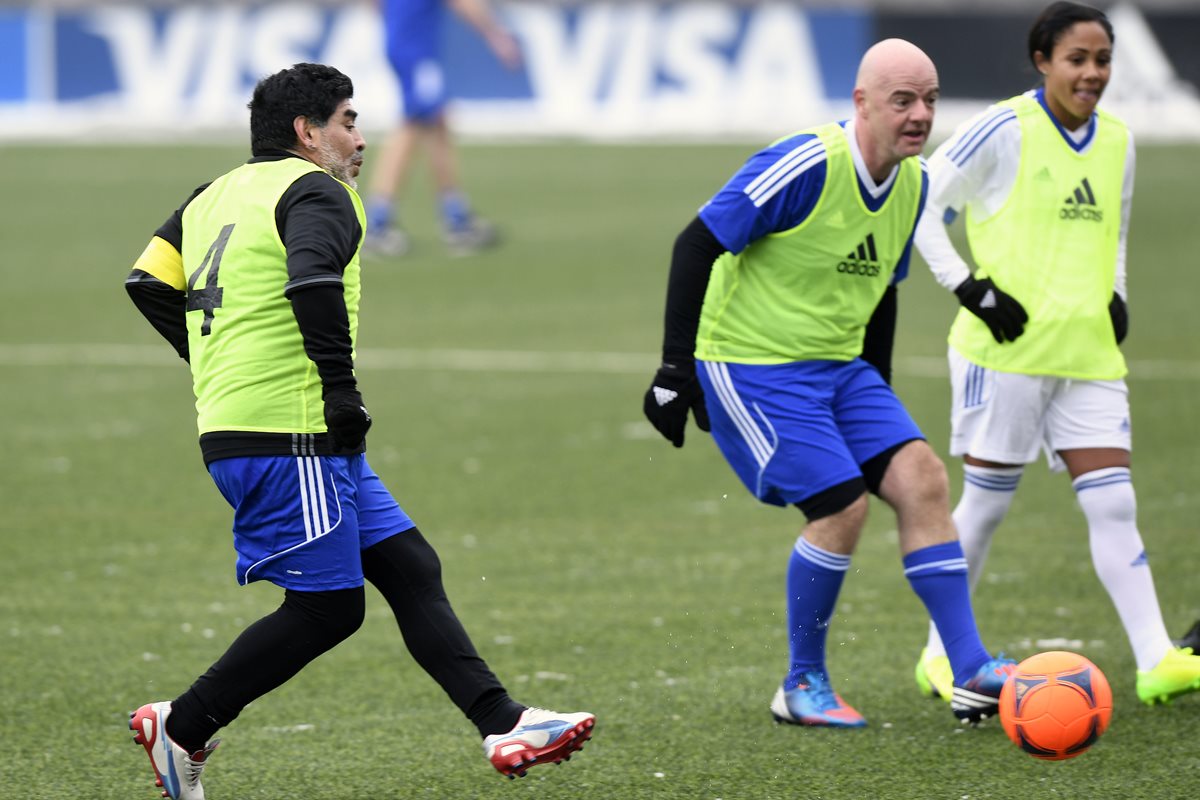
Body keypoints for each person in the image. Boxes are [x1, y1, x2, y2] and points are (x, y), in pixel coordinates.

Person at [123, 63, 593, 799]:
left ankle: (504, 721)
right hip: (293, 434)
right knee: (328, 608)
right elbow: (310, 279)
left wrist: (214, 360)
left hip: (276, 429)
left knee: (410, 566)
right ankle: (181, 726)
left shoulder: (210, 195)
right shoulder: (319, 191)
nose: (361, 139)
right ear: (307, 133)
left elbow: (148, 282)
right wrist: (340, 392)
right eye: (347, 121)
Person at [642, 39, 1014, 729]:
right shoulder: (806, 162)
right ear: (862, 102)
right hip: (749, 363)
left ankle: (970, 670)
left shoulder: (916, 183)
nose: (919, 115)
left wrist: (883, 391)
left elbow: (885, 289)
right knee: (841, 505)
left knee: (923, 476)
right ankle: (801, 684)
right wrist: (675, 369)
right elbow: (695, 244)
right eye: (903, 100)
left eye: (929, 100)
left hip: (841, 369)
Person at [912, 1, 1200, 708]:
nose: (1093, 73)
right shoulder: (1004, 128)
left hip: (1087, 354)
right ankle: (941, 658)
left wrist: (1118, 293)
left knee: (1115, 504)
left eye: (1103, 60)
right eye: (1078, 59)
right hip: (1005, 353)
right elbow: (921, 204)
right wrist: (970, 289)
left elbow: (1117, 231)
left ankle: (1158, 659)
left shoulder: (1119, 142)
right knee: (984, 507)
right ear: (1043, 61)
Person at [363, 0, 520, 256]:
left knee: (437, 123)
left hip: (405, 42)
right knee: (412, 124)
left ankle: (456, 217)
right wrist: (496, 36)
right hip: (415, 48)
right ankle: (378, 223)